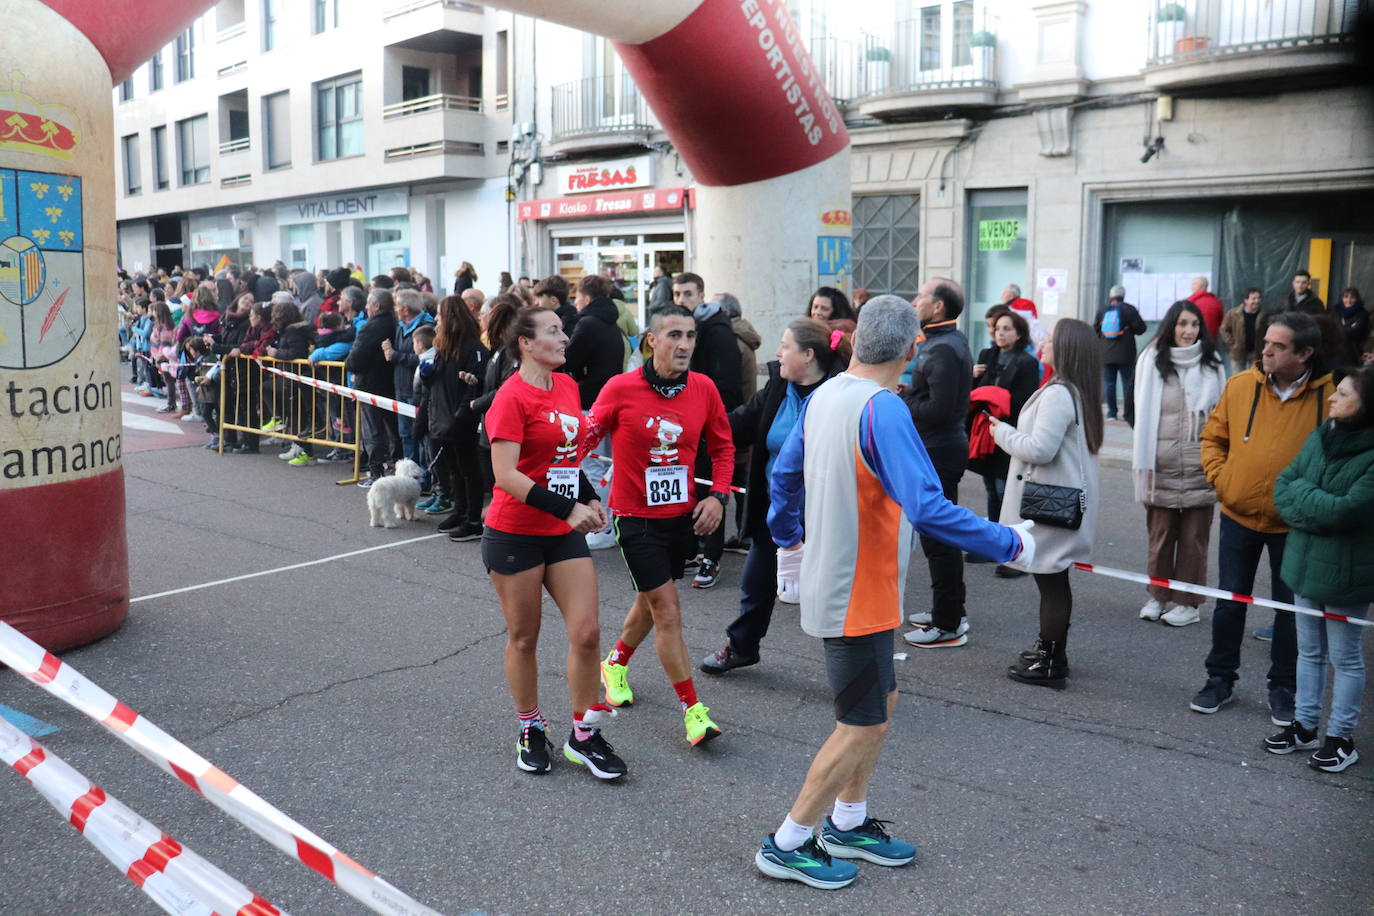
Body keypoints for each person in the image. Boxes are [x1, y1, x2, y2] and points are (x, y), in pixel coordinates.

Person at [756, 295, 1032, 890]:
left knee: (881, 708)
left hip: (863, 586)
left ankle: (848, 822)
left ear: (855, 342)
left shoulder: (826, 393)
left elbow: (783, 475)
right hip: (853, 590)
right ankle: (786, 842)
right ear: (912, 351)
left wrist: (789, 542)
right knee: (860, 722)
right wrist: (1009, 542)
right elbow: (929, 509)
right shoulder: (883, 408)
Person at [481, 305, 625, 779]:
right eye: (554, 331)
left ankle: (584, 734)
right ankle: (530, 726)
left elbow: (564, 458)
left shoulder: (566, 385)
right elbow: (506, 476)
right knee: (524, 639)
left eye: (563, 331)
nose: (565, 339)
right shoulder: (510, 397)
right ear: (525, 343)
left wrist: (588, 497)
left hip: (560, 532)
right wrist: (568, 508)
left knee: (586, 634)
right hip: (514, 534)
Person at [580, 305, 735, 747]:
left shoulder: (703, 389)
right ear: (652, 340)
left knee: (651, 602)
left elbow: (724, 450)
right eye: (674, 335)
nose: (684, 344)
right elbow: (582, 443)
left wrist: (717, 496)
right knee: (667, 610)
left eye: (689, 336)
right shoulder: (621, 388)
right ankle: (693, 710)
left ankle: (615, 661)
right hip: (635, 520)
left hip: (680, 518)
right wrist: (578, 492)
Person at [1190, 312, 1333, 725]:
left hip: (1296, 524)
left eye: (1278, 346)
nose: (1265, 350)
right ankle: (1219, 679)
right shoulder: (1239, 386)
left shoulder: (1332, 396)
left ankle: (1284, 687)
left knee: (1289, 610)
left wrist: (1315, 503)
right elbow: (1213, 438)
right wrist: (1223, 480)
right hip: (1238, 514)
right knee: (1230, 601)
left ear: (1305, 353)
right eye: (1266, 342)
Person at [700, 318, 849, 676]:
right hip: (776, 510)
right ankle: (741, 647)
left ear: (808, 355)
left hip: (827, 515)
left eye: (786, 346)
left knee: (837, 592)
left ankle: (854, 666)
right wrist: (693, 427)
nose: (778, 353)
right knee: (756, 583)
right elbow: (738, 422)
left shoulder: (842, 393)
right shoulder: (778, 388)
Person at [1266, 367, 1374, 772]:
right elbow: (1283, 487)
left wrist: (1307, 502)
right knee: (1308, 651)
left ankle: (1341, 738)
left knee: (1345, 658)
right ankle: (1305, 726)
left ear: (1366, 405)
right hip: (1306, 563)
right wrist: (1318, 505)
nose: (1331, 397)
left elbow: (1346, 511)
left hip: (1347, 574)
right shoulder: (1321, 435)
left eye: (1343, 393)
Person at [988, 318, 1102, 688]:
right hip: (1061, 503)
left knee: (1051, 581)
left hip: (1051, 506)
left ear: (1066, 348)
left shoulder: (1059, 392)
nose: (1044, 341)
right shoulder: (1075, 390)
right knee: (1053, 580)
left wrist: (999, 431)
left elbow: (1040, 449)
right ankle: (1050, 651)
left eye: (1051, 337)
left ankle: (1051, 659)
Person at [1131, 301, 1226, 627]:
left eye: (1195, 325)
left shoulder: (1213, 364)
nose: (1189, 331)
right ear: (1171, 325)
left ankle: (1188, 604)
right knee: (1160, 538)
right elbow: (1139, 413)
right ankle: (1158, 595)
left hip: (1202, 465)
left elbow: (1222, 418)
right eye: (1183, 324)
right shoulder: (1152, 361)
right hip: (1161, 466)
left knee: (1194, 541)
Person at [901, 277, 974, 648]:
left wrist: (903, 399)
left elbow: (939, 410)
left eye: (921, 297)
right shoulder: (942, 341)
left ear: (938, 307)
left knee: (939, 536)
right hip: (935, 449)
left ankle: (948, 622)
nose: (914, 302)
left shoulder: (945, 347)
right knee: (935, 537)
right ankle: (948, 610)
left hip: (940, 451)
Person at [677, 272, 743, 589]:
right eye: (677, 294)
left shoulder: (717, 331)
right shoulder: (686, 327)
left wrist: (711, 418)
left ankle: (711, 558)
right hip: (685, 421)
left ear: (701, 295)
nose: (681, 300)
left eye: (688, 294)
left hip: (710, 422)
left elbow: (726, 384)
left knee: (711, 490)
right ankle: (691, 549)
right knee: (690, 487)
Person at [968, 307, 1039, 554]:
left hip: (1009, 430)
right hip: (985, 431)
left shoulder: (1027, 362)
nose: (1000, 333)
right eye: (998, 329)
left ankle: (1011, 543)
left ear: (1019, 334)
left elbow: (1024, 400)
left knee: (1004, 487)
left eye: (1007, 329)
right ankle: (994, 542)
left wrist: (997, 401)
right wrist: (974, 377)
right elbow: (974, 395)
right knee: (990, 487)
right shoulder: (987, 355)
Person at [418, 296, 489, 541]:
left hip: (460, 419)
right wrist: (427, 376)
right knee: (454, 470)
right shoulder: (444, 348)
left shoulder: (473, 349)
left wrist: (461, 415)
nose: (436, 319)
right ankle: (460, 511)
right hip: (442, 418)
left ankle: (472, 519)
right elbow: (436, 384)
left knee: (469, 469)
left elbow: (475, 385)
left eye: (440, 314)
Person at [345, 288, 401, 487]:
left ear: (377, 306)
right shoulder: (395, 323)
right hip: (390, 383)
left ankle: (376, 473)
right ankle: (395, 469)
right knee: (393, 429)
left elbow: (356, 357)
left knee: (373, 431)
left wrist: (348, 364)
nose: (366, 307)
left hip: (371, 385)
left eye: (369, 304)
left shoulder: (372, 327)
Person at [385, 289, 435, 468]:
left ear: (405, 309)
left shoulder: (426, 326)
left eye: (397, 306)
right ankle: (409, 473)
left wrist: (395, 355)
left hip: (418, 391)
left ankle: (423, 476)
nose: (395, 309)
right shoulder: (400, 326)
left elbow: (425, 357)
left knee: (420, 435)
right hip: (401, 388)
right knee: (405, 434)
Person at [1093, 284, 1147, 425]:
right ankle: (1128, 412)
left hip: (1106, 353)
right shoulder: (1129, 309)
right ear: (1123, 295)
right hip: (1126, 353)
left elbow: (1095, 330)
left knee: (1109, 383)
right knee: (1128, 383)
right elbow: (1141, 329)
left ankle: (1112, 413)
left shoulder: (1102, 310)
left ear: (1111, 296)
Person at [1219, 287, 1264, 373]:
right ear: (1246, 300)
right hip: (1238, 352)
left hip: (1256, 352)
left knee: (1255, 377)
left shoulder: (1263, 315)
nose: (1257, 301)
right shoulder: (1234, 314)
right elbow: (1223, 329)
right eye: (1253, 298)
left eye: (1258, 298)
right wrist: (1233, 343)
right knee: (1237, 378)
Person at [1000, 284, 1046, 352]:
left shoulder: (1011, 307)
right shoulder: (1029, 303)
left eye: (1004, 294)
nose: (1001, 297)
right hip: (1032, 343)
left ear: (1011, 296)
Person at [1334, 287, 1369, 366]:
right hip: (1335, 350)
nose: (1348, 301)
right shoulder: (1335, 311)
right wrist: (1349, 328)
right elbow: (1329, 329)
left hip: (1353, 350)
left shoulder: (1363, 313)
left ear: (1357, 299)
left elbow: (1356, 331)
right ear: (1342, 298)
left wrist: (1338, 330)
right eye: (1346, 297)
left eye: (1352, 298)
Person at [1186, 276, 1225, 341]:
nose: (1191, 287)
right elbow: (1222, 322)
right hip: (1211, 341)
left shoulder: (1189, 303)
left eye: (1193, 284)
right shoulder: (1217, 302)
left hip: (1192, 340)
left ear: (1200, 286)